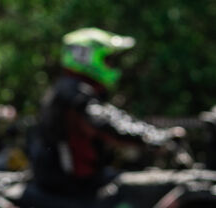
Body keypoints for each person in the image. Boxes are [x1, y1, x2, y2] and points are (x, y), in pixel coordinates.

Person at [30, 27, 185, 195]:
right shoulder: (73, 93)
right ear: (87, 58)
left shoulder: (70, 88)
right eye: (108, 60)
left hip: (71, 180)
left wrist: (153, 133)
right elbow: (105, 122)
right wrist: (154, 138)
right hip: (72, 186)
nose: (111, 65)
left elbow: (114, 116)